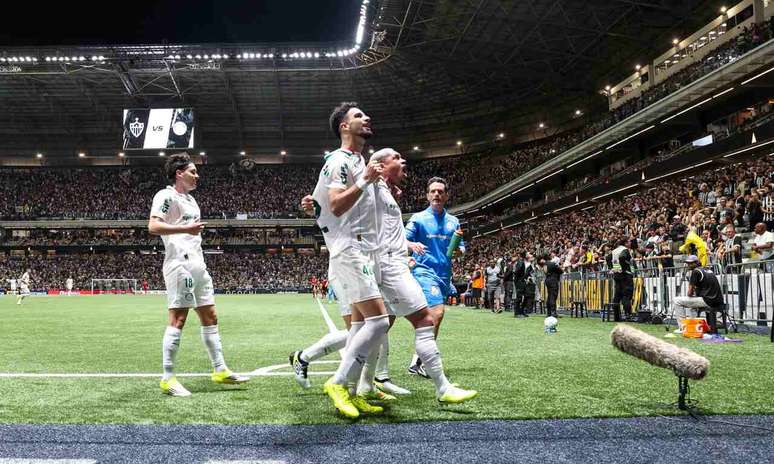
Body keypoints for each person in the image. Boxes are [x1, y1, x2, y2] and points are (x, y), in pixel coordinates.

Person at [307, 102, 391, 418]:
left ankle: (353, 391)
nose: (366, 118)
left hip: (362, 249)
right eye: (358, 116)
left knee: (358, 326)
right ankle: (339, 382)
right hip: (349, 249)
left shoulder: (357, 160)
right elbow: (337, 205)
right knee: (379, 322)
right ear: (344, 126)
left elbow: (322, 204)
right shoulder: (339, 161)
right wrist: (365, 179)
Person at [148, 152, 248, 397]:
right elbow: (153, 226)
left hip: (197, 263)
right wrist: (185, 228)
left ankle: (220, 369)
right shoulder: (166, 195)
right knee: (178, 319)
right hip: (178, 265)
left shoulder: (192, 201)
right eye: (192, 171)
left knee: (210, 315)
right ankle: (168, 378)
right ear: (178, 173)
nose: (197, 175)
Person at [405, 177, 465, 378]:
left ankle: (417, 360)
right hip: (423, 272)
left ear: (446, 196)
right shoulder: (418, 218)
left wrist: (459, 252)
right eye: (433, 191)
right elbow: (402, 239)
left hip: (444, 276)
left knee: (432, 319)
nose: (437, 194)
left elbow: (461, 248)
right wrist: (411, 246)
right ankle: (424, 362)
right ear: (427, 195)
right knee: (437, 313)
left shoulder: (453, 221)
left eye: (440, 191)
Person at [674, 255, 725, 334]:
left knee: (677, 300)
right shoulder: (708, 270)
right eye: (688, 263)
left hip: (707, 300)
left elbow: (689, 293)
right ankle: (694, 327)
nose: (688, 265)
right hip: (718, 300)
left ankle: (682, 328)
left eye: (690, 263)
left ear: (696, 263)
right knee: (692, 305)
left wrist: (692, 291)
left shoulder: (695, 271)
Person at [608, 239, 634, 322]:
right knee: (626, 295)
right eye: (629, 241)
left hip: (616, 274)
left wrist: (612, 268)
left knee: (617, 295)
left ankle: (616, 316)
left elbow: (608, 258)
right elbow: (622, 257)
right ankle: (628, 315)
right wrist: (623, 268)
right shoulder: (624, 250)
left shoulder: (614, 250)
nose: (630, 243)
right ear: (625, 243)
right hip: (625, 275)